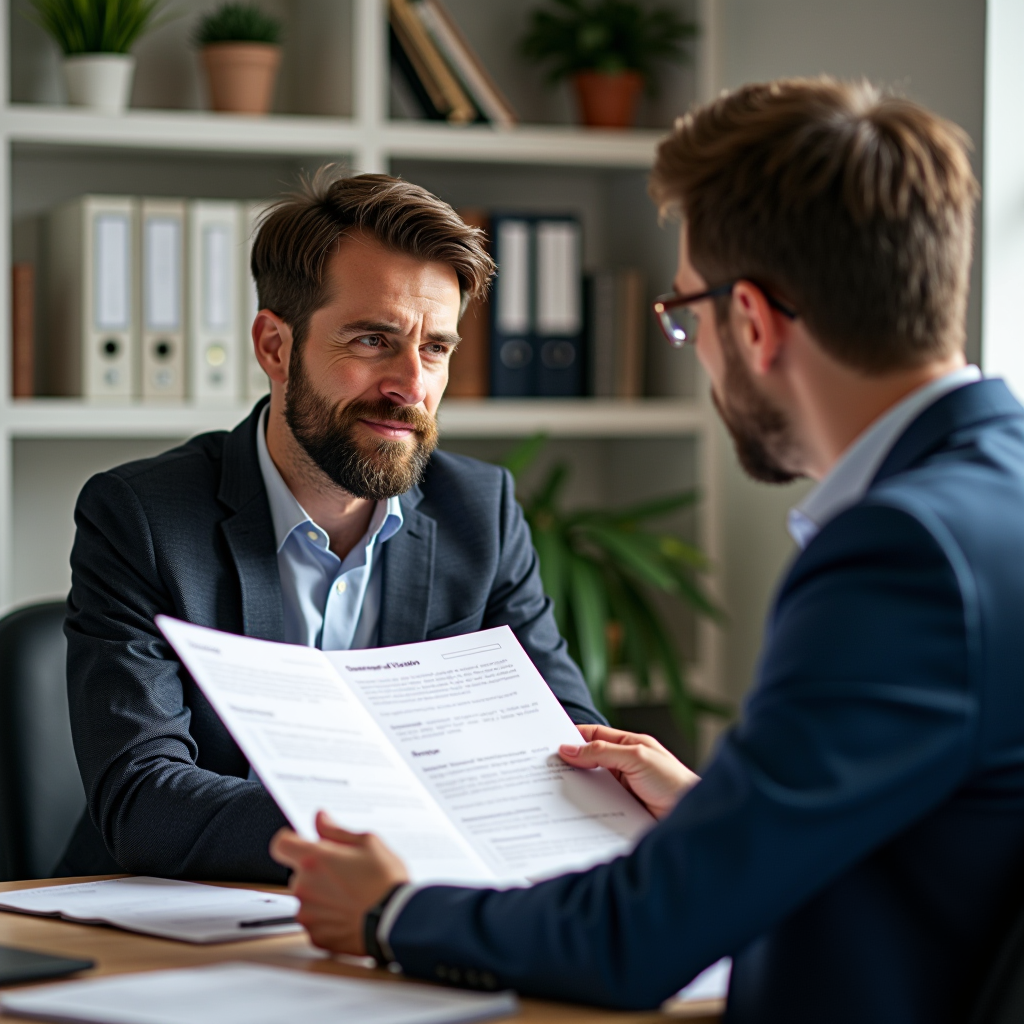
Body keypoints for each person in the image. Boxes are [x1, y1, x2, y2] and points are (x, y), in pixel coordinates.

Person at [269, 78, 1024, 1023]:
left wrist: (391, 912)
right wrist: (719, 812)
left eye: (687, 315)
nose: (694, 347)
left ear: (753, 322)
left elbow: (635, 938)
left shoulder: (903, 554)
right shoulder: (996, 500)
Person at [58, 172, 604, 882]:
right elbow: (143, 799)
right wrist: (392, 827)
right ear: (275, 348)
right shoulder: (141, 518)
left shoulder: (481, 513)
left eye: (435, 348)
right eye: (374, 340)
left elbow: (567, 749)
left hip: (411, 913)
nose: (412, 386)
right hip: (170, 915)